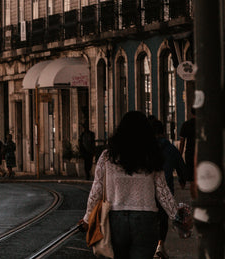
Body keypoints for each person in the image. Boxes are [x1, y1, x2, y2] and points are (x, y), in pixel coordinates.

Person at [78, 111, 182, 259]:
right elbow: (162, 191)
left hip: (115, 219)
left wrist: (87, 219)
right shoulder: (152, 156)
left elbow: (96, 191)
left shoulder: (107, 157)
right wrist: (176, 216)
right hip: (146, 220)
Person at [149, 116, 187, 259]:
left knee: (151, 219)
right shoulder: (170, 148)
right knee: (163, 218)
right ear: (163, 132)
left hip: (149, 191)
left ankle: (153, 245)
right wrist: (183, 179)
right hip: (167, 190)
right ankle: (160, 244)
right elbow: (180, 164)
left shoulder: (146, 149)